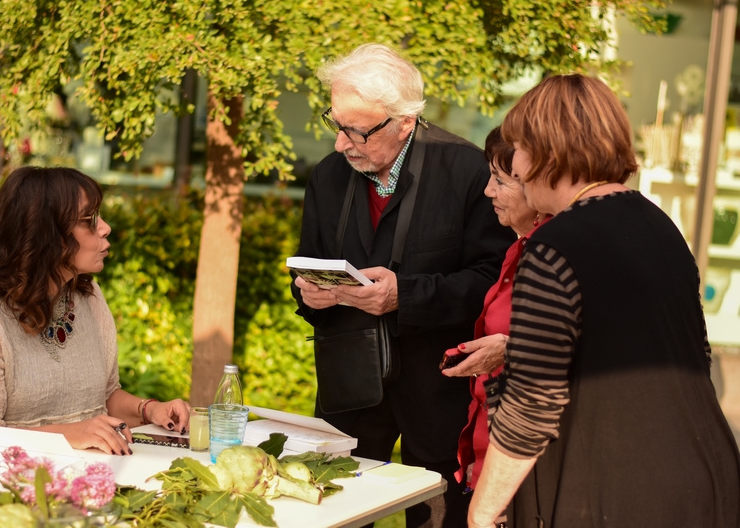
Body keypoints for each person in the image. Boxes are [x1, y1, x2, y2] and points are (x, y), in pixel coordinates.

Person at [467, 74, 740, 528]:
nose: (512, 168)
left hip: (619, 492)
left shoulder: (555, 245)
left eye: (516, 149)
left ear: (543, 152)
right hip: (705, 474)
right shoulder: (658, 224)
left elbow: (533, 403)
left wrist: (483, 510)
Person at [291, 43, 515, 527]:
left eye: (356, 130)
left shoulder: (468, 171)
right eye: (336, 123)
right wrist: (308, 294)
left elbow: (490, 283)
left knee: (438, 518)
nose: (341, 143)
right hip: (348, 384)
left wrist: (402, 296)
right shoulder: (327, 177)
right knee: (329, 513)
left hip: (438, 391)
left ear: (405, 122)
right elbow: (306, 268)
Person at [0, 166, 191, 456]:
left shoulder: (89, 297)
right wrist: (68, 434)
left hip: (99, 483)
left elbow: (105, 397)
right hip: (9, 494)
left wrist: (149, 410)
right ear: (46, 235)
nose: (105, 227)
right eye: (89, 220)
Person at [442, 127, 550, 505]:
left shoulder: (549, 255)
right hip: (489, 448)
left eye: (500, 181)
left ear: (537, 187)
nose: (488, 191)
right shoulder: (517, 248)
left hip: (520, 465)